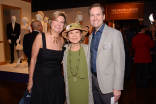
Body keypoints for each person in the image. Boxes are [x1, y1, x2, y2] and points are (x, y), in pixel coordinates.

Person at [87, 3, 125, 104]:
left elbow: (119, 62)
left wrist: (117, 87)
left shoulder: (115, 34)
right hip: (93, 81)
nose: (95, 18)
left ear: (103, 16)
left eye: (98, 14)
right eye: (92, 15)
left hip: (109, 85)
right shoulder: (91, 37)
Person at [27, 11, 67, 104]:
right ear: (50, 22)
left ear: (64, 25)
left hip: (57, 81)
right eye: (56, 20)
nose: (59, 24)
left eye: (61, 22)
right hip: (41, 80)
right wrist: (30, 81)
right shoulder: (40, 37)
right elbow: (33, 59)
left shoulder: (62, 40)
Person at [62, 23, 94, 104]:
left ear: (81, 35)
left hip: (84, 86)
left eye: (77, 32)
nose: (74, 35)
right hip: (71, 87)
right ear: (68, 36)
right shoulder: (64, 51)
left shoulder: (87, 49)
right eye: (71, 33)